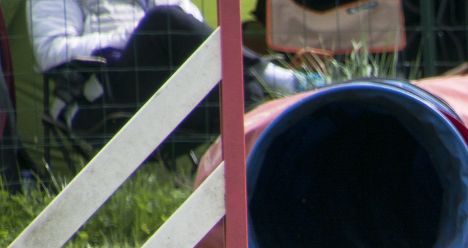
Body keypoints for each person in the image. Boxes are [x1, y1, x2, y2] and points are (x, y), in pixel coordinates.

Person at [27, 0, 312, 156]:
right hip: (104, 98)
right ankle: (277, 78)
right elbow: (51, 52)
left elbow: (195, 32)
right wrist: (130, 36)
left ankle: (274, 172)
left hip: (178, 96)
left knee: (246, 91)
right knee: (162, 21)